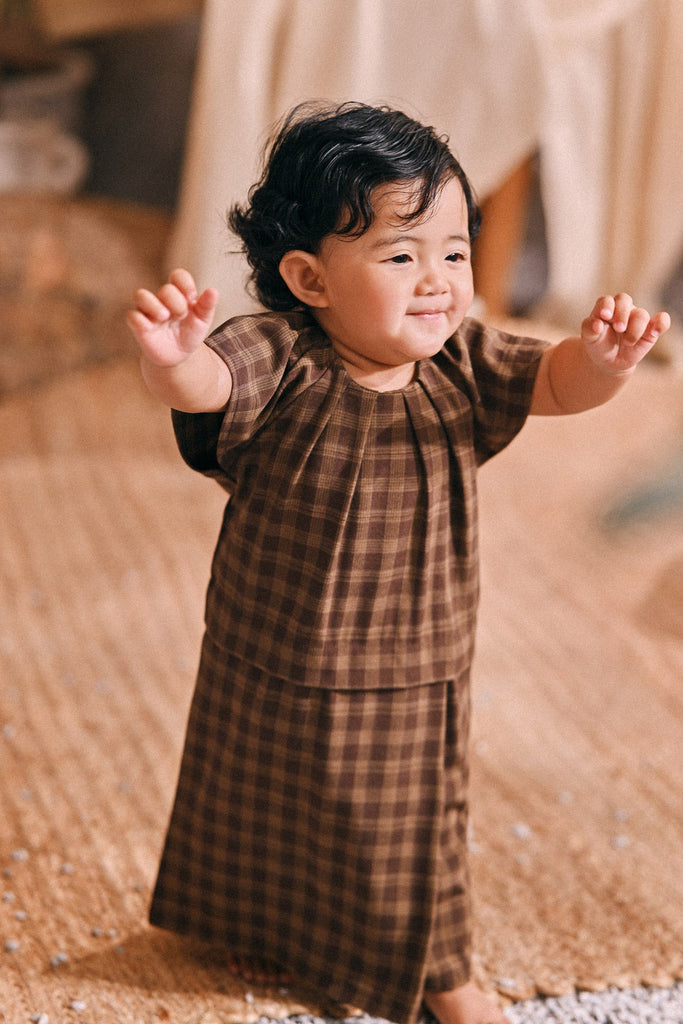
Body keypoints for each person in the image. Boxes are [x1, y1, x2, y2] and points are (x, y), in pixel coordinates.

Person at [126, 103, 670, 1024]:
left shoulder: (463, 364)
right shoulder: (278, 356)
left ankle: (441, 972)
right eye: (400, 256)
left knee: (410, 825)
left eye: (453, 253)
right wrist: (172, 359)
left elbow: (551, 382)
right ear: (309, 278)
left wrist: (603, 363)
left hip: (410, 661)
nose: (437, 283)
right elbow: (208, 386)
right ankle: (261, 921)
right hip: (268, 647)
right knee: (258, 794)